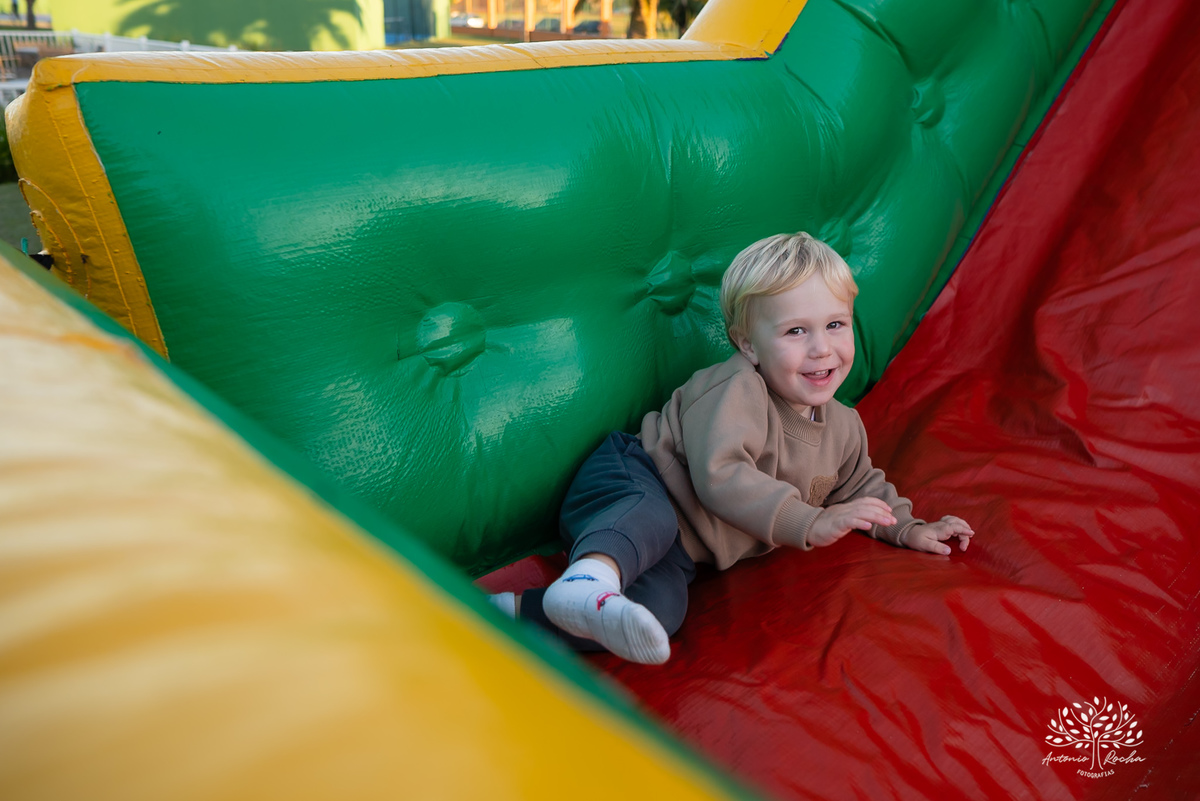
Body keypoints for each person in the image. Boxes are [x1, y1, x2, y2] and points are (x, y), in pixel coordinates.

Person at [489, 232, 975, 664]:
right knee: (650, 518)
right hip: (634, 481)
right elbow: (721, 477)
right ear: (747, 345)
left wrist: (908, 527)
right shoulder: (736, 389)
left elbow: (861, 487)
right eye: (795, 331)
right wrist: (809, 521)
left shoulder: (844, 427)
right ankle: (586, 581)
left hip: (682, 550)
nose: (822, 348)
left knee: (663, 611)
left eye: (835, 325)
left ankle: (509, 615)